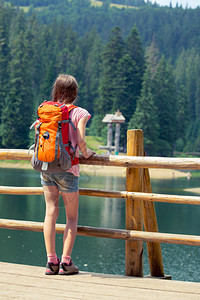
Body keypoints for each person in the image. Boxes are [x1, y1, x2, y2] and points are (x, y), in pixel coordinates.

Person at [41, 74, 95, 275]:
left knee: (50, 212)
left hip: (47, 166)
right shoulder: (79, 112)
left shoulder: (47, 109)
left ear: (56, 90)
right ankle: (65, 263)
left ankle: (50, 262)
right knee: (71, 218)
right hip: (68, 169)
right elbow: (80, 141)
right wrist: (88, 153)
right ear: (75, 92)